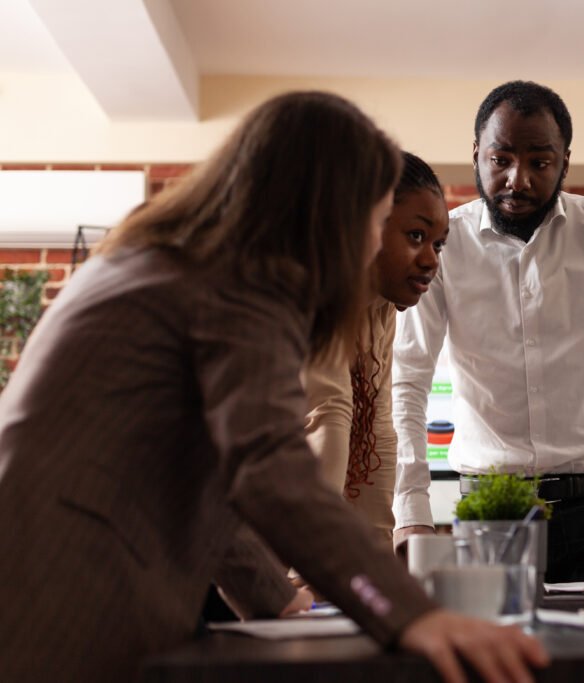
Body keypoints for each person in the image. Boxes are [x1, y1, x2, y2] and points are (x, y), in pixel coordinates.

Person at [0, 91, 546, 683]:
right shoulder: (242, 285)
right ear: (327, 208)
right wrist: (412, 615)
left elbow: (212, 474)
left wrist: (275, 599)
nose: (370, 243)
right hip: (64, 601)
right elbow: (268, 468)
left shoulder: (175, 260)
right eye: (372, 217)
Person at [391, 80, 584, 581]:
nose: (516, 180)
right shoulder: (445, 243)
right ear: (477, 154)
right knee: (490, 655)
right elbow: (408, 378)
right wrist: (410, 513)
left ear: (565, 161)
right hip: (488, 514)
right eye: (500, 159)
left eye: (539, 163)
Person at [304, 152, 449, 544]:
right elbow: (328, 418)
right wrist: (319, 570)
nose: (431, 260)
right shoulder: (313, 292)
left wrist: (378, 553)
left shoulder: (381, 305)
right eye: (416, 236)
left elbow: (377, 434)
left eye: (439, 244)